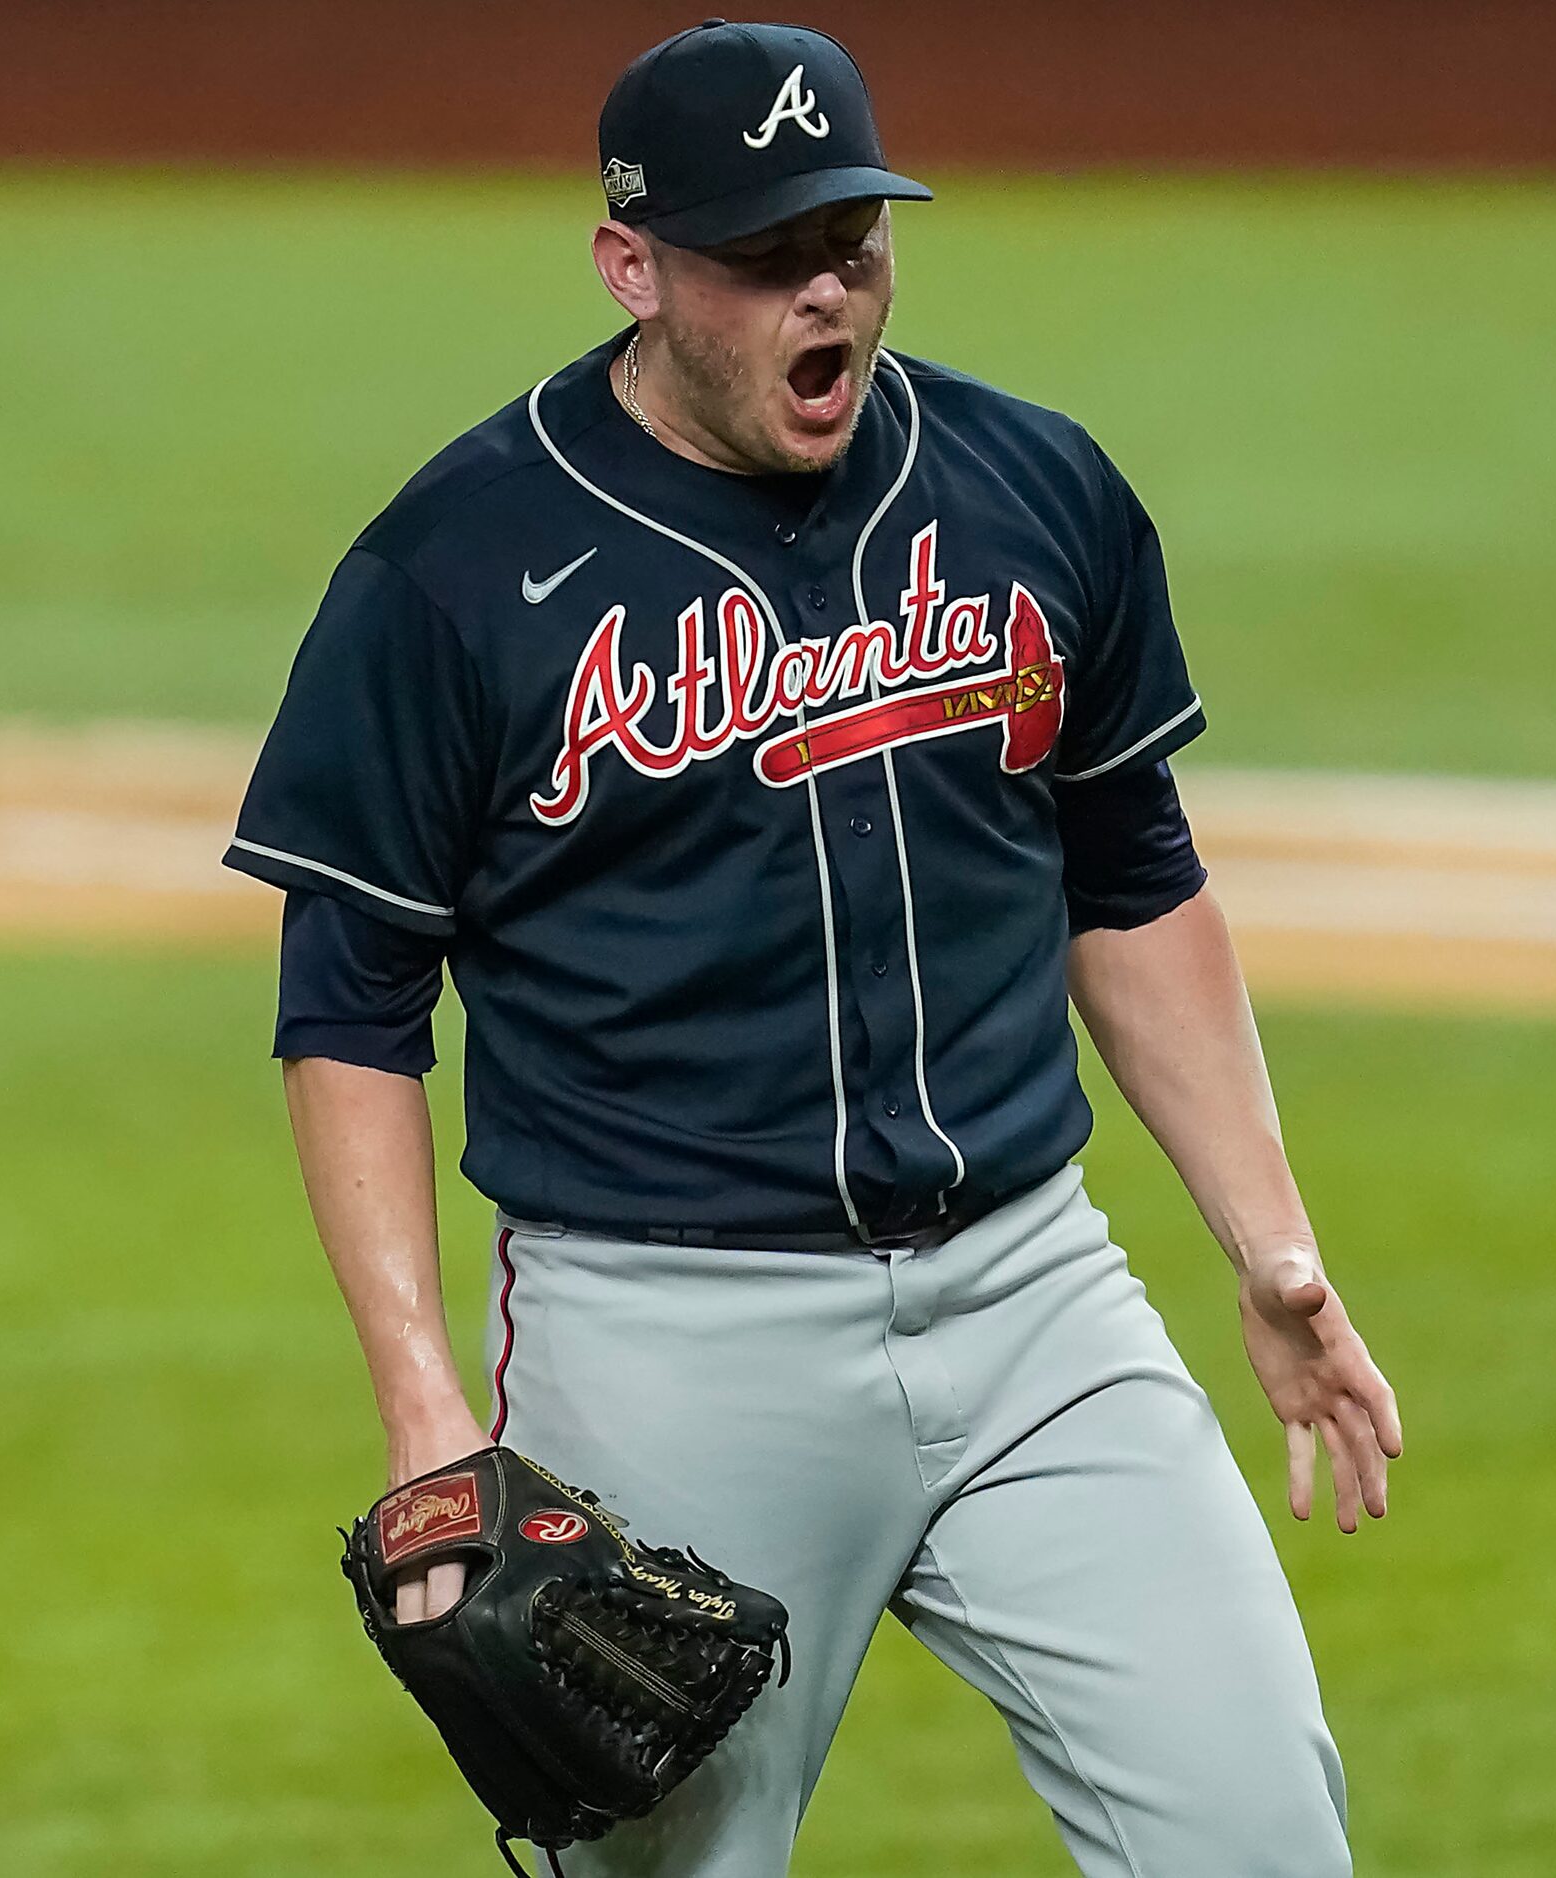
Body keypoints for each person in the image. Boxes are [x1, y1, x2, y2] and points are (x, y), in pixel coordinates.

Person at [224, 21, 1400, 1876]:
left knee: (1259, 1835)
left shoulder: (1033, 488)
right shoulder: (454, 572)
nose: (824, 288)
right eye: (765, 256)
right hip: (670, 1348)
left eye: (850, 237)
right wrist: (424, 1407)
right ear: (634, 268)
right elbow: (348, 1000)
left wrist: (1271, 1245)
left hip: (1037, 1306)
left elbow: (1132, 868)